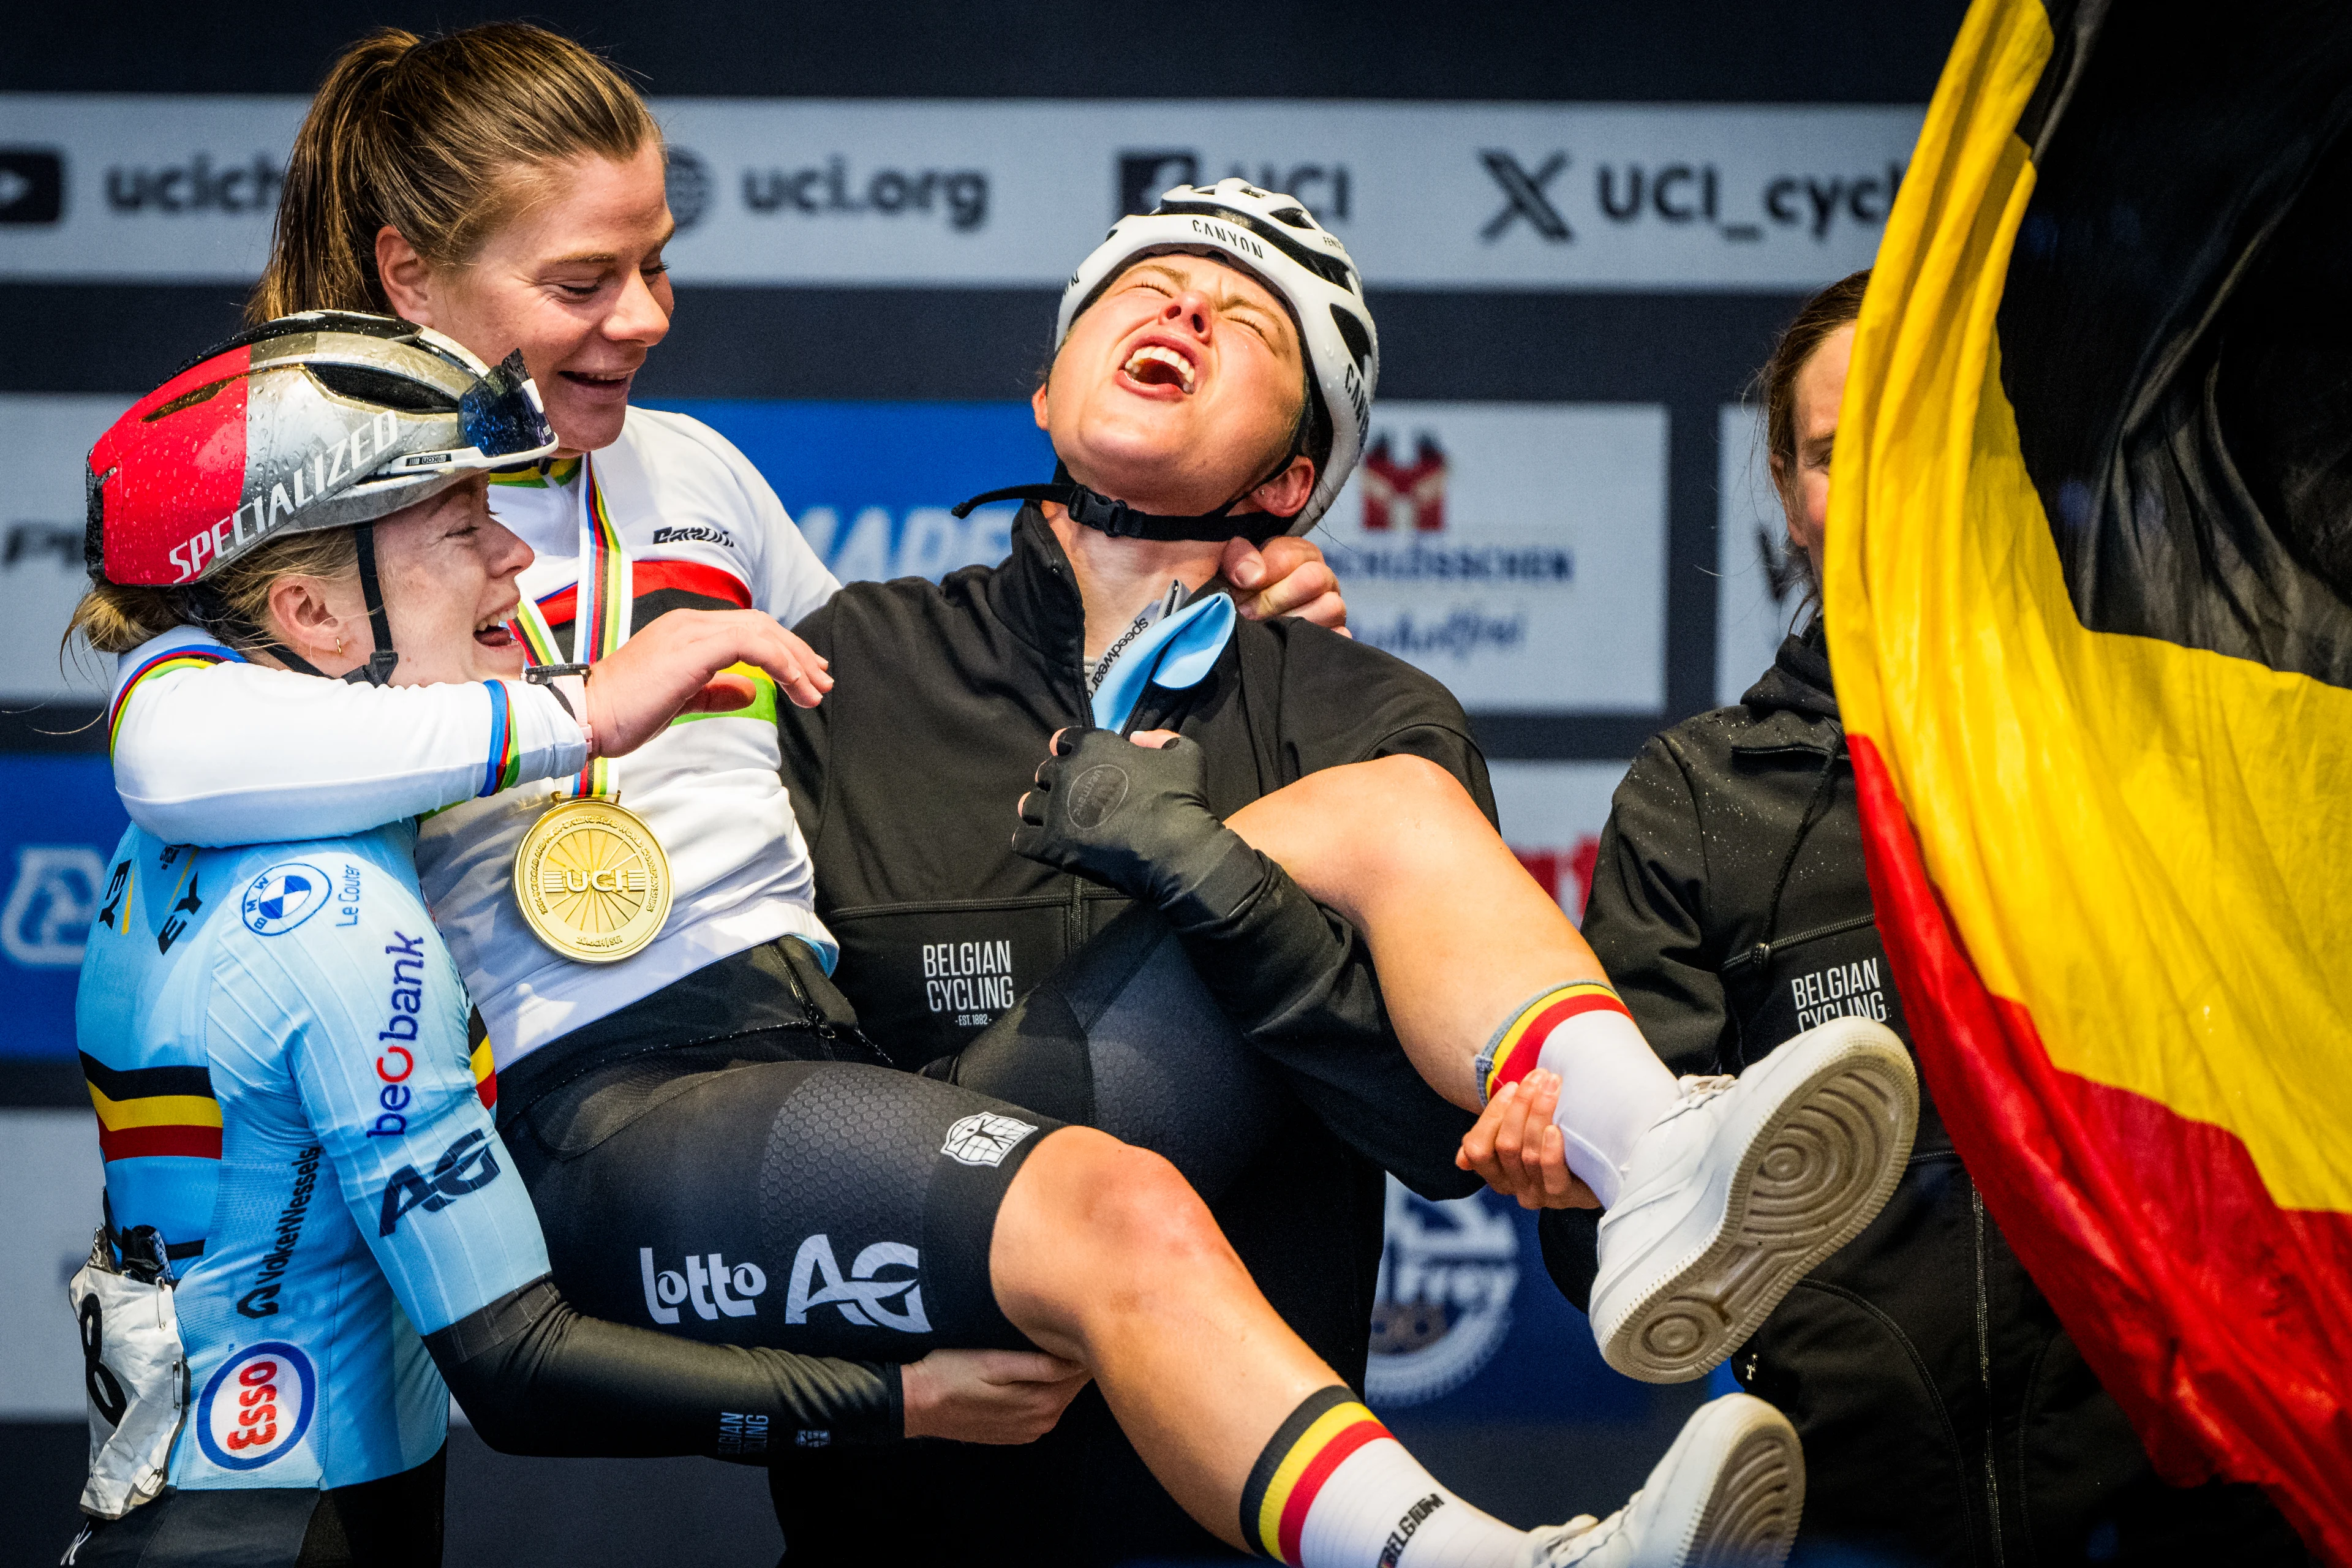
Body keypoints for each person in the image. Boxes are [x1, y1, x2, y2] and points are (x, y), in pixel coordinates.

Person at [93, 24, 1909, 1563]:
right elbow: (173, 748)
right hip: (604, 1115)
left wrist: (1241, 653)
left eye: (658, 262)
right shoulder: (307, 536)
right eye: (588, 281)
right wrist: (573, 716)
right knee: (1118, 1209)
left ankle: (1655, 1145)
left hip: (823, 1080)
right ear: (414, 279)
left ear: (1297, 473)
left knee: (1370, 816)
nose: (646, 315)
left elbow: (845, 682)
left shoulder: (708, 481)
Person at [763, 174, 1915, 1561]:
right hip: (904, 1457)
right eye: (1140, 287)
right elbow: (752, 1098)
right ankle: (1653, 1152)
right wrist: (863, 1389)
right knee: (1378, 822)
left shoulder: (1367, 716)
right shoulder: (842, 665)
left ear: (1291, 476)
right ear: (1047, 388)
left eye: (1246, 316)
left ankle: (1637, 1182)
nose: (1184, 303)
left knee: (1386, 810)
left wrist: (1214, 882)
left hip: (1218, 1525)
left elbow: (1433, 1139)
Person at [61, 328, 1085, 1568]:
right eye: (460, 531)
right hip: (297, 1528)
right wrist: (907, 1403)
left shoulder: (200, 818)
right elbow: (523, 1367)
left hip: (179, 1512)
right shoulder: (341, 911)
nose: (512, 557)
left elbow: (176, 708)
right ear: (310, 610)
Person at [1530, 270, 2310, 1564]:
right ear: (1786, 491)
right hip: (1851, 1522)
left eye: (1922, 447)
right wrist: (1577, 1173)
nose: (1883, 489)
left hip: (2194, 1510)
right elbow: (1614, 1250)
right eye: (1837, 455)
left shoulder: (2164, 751)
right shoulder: (1695, 798)